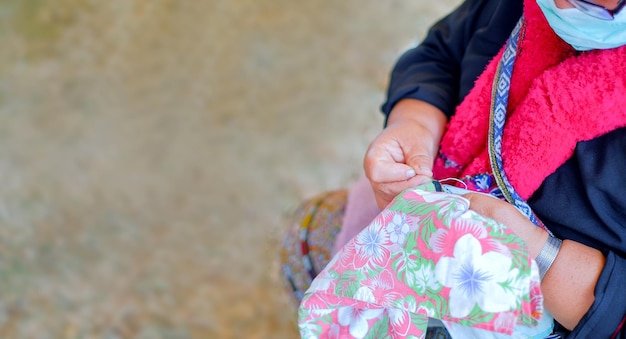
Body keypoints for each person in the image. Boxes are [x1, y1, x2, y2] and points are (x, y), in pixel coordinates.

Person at [282, 0, 626, 337]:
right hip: (407, 219)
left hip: (527, 313)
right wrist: (414, 122)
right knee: (305, 241)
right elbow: (441, 52)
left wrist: (536, 254)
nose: (563, 9)